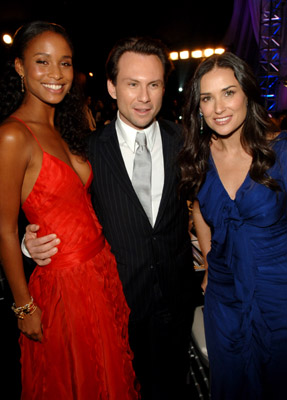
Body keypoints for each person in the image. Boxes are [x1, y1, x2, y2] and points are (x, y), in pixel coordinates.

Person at [24, 36, 197, 400]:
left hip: (176, 300)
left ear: (165, 87)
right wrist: (29, 242)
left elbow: (210, 205)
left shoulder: (184, 140)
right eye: (132, 84)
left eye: (153, 85)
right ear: (112, 87)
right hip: (114, 305)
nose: (144, 97)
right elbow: (56, 208)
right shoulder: (85, 151)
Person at [0, 21, 139, 400]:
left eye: (65, 63)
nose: (56, 75)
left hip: (99, 271)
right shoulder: (12, 135)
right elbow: (3, 229)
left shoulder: (64, 125)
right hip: (64, 286)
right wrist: (23, 307)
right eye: (42, 62)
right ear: (19, 67)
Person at [178, 51, 287, 399]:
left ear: (247, 94)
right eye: (207, 98)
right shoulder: (198, 156)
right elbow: (198, 209)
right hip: (224, 299)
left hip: (278, 292)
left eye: (228, 92)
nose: (218, 108)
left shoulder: (280, 152)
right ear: (198, 107)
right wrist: (210, 263)